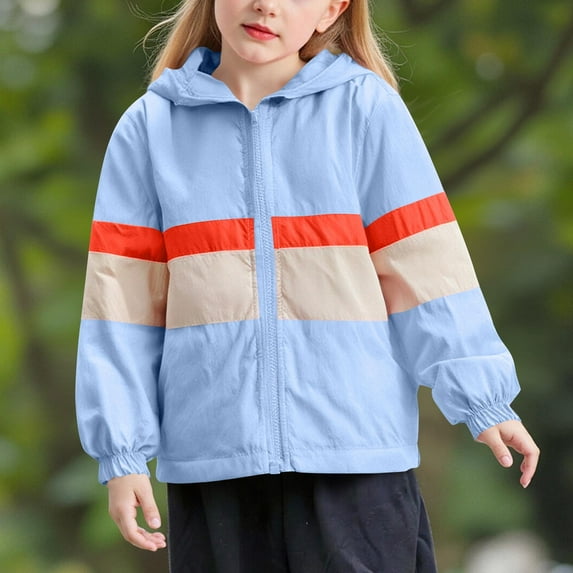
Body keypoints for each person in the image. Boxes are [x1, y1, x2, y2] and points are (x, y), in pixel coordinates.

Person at [75, 0, 540, 570]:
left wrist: (483, 399)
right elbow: (120, 307)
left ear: (332, 10)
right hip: (214, 468)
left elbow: (426, 267)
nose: (265, 5)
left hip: (357, 462)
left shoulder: (366, 109)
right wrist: (122, 454)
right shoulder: (149, 128)